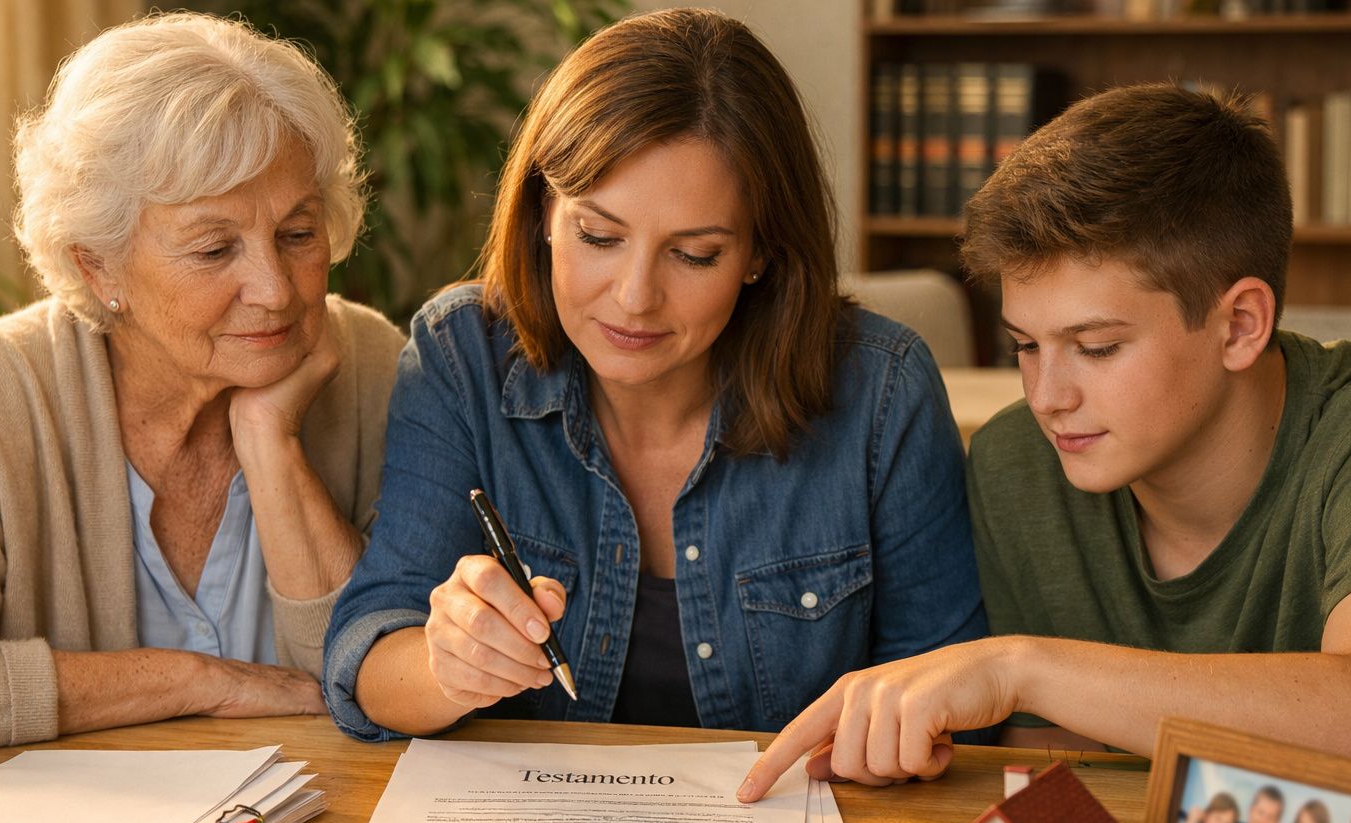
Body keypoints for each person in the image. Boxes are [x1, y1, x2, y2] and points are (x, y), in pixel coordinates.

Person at [738, 82, 1351, 802]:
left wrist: (1020, 668)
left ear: (1240, 325)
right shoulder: (1019, 464)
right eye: (1025, 346)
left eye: (1096, 347)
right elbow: (1064, 790)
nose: (1048, 397)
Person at [322, 8, 986, 740]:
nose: (636, 297)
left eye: (694, 254)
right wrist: (446, 666)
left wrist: (905, 736)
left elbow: (957, 698)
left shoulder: (880, 392)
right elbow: (368, 656)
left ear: (761, 252)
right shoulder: (463, 356)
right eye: (599, 236)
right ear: (545, 211)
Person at [0, 13, 408, 756]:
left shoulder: (368, 365)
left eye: (298, 235)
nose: (274, 290)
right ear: (98, 265)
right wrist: (198, 682)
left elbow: (391, 678)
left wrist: (271, 443)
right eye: (213, 248)